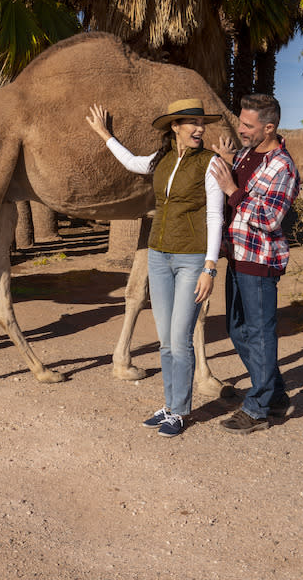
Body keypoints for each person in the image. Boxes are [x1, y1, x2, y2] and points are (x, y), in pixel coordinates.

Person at [87, 99, 225, 438]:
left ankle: (179, 411)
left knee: (180, 339)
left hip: (192, 259)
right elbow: (132, 162)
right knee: (165, 340)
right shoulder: (160, 160)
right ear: (174, 127)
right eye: (191, 123)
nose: (199, 129)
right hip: (159, 256)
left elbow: (214, 215)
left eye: (202, 124)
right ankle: (169, 404)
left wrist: (210, 267)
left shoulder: (210, 163)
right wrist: (105, 135)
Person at [208, 93, 300, 434]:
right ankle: (273, 393)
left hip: (260, 259)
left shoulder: (283, 166)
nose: (241, 129)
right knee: (237, 328)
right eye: (241, 122)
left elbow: (269, 217)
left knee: (260, 334)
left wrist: (232, 188)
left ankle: (258, 408)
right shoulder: (247, 154)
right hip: (238, 255)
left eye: (248, 125)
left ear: (270, 127)